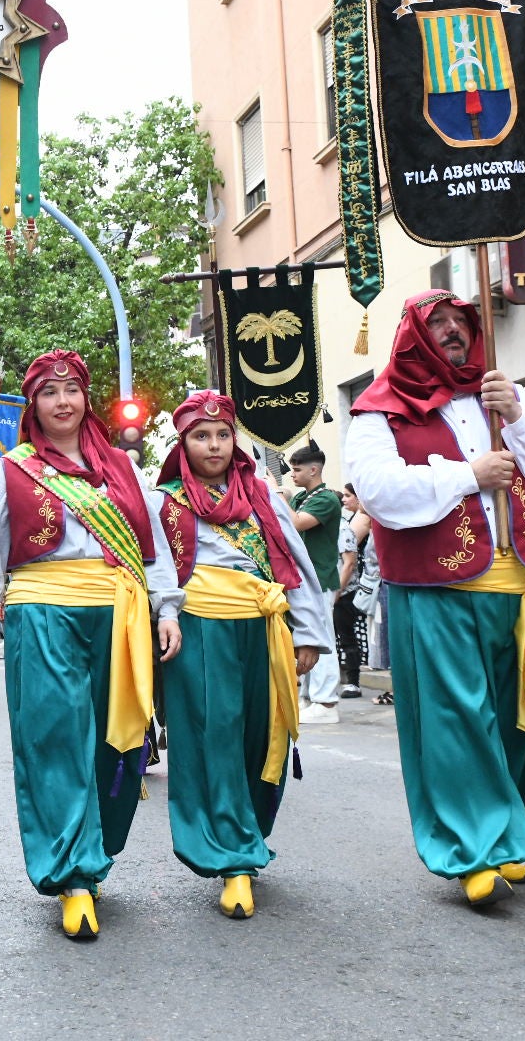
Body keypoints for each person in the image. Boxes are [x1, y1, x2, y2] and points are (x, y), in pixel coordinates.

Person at [347, 290, 525, 907]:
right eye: (439, 323)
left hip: (519, 590)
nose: (453, 332)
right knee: (458, 723)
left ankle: (507, 834)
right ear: (413, 335)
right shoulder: (379, 411)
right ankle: (472, 848)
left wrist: (522, 419)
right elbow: (378, 492)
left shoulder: (504, 393)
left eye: (461, 322)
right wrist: (466, 476)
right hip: (438, 591)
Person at [0, 351, 184, 939]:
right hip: (42, 607)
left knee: (119, 738)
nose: (62, 402)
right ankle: (73, 872)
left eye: (71, 390)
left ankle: (96, 847)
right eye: (49, 393)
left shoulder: (123, 469)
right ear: (33, 406)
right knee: (54, 737)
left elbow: (151, 545)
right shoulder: (13, 469)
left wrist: (166, 608)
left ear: (86, 398)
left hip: (119, 610)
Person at [155, 391, 331, 920]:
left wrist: (309, 633)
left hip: (263, 627)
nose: (213, 444)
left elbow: (292, 562)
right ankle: (231, 857)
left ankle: (249, 833)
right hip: (199, 628)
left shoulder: (263, 496)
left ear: (235, 440)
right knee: (214, 738)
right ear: (183, 443)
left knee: (261, 736)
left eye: (223, 434)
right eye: (201, 435)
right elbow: (157, 569)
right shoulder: (164, 500)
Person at [284, 440, 343, 724]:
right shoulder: (299, 497)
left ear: (314, 470)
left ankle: (327, 702)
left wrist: (276, 495)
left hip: (320, 578)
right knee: (306, 639)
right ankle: (309, 697)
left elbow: (294, 523)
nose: (292, 475)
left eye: (296, 470)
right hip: (303, 579)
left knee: (321, 640)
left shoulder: (327, 499)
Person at [334, 485, 372, 700]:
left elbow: (349, 564)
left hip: (345, 591)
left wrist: (337, 592)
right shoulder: (332, 528)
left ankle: (353, 682)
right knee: (336, 639)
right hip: (333, 591)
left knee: (348, 637)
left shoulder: (342, 529)